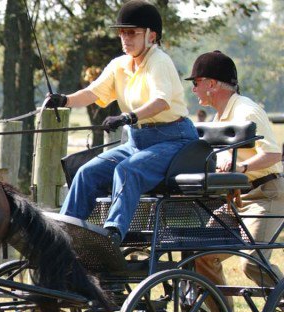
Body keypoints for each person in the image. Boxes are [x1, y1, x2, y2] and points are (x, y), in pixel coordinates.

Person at [46, 0, 198, 247]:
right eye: (122, 33)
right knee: (87, 173)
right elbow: (92, 93)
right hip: (138, 141)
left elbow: (161, 101)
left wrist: (128, 117)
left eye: (132, 33)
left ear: (151, 36)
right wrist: (64, 100)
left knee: (128, 170)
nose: (125, 38)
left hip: (174, 140)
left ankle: (112, 236)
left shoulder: (159, 61)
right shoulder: (120, 65)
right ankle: (63, 237)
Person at [187, 50, 284, 294]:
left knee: (253, 263)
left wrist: (241, 167)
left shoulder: (246, 112)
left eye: (196, 83)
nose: (193, 89)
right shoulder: (219, 117)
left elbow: (273, 155)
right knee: (203, 256)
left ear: (211, 84)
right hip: (236, 199)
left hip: (265, 194)